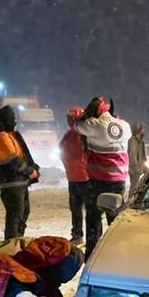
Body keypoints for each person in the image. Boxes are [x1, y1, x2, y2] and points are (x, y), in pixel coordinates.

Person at [74, 97, 132, 256]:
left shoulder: (94, 125)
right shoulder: (125, 126)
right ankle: (120, 251)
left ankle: (93, 254)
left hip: (98, 181)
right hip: (119, 181)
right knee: (115, 218)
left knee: (93, 218)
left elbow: (77, 126)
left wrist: (83, 116)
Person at [0, 105, 41, 240]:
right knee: (15, 216)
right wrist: (30, 172)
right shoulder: (0, 137)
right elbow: (13, 160)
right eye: (12, 119)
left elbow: (21, 156)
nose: (14, 122)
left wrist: (34, 168)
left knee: (22, 214)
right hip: (11, 184)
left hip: (18, 183)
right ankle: (12, 245)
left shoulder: (9, 135)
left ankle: (17, 242)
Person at [60, 107, 91, 245]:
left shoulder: (85, 135)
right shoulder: (68, 135)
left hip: (85, 178)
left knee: (89, 211)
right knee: (76, 209)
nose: (69, 120)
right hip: (74, 178)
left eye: (71, 118)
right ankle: (78, 235)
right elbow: (61, 150)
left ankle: (90, 236)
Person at [127, 122, 149, 190]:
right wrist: (137, 169)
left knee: (138, 186)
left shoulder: (140, 142)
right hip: (135, 169)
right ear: (139, 130)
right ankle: (132, 200)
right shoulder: (133, 141)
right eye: (143, 129)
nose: (144, 131)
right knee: (134, 186)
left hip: (139, 168)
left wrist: (145, 168)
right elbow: (132, 156)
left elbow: (142, 156)